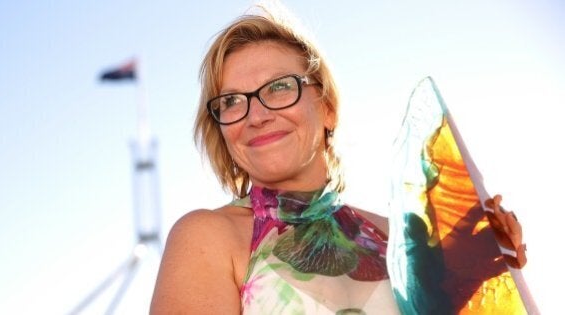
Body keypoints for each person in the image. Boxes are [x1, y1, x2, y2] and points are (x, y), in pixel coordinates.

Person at [150, 5, 525, 314]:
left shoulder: (401, 239)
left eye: (280, 87)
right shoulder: (207, 236)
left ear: (327, 107)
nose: (256, 115)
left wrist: (482, 274)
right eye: (231, 101)